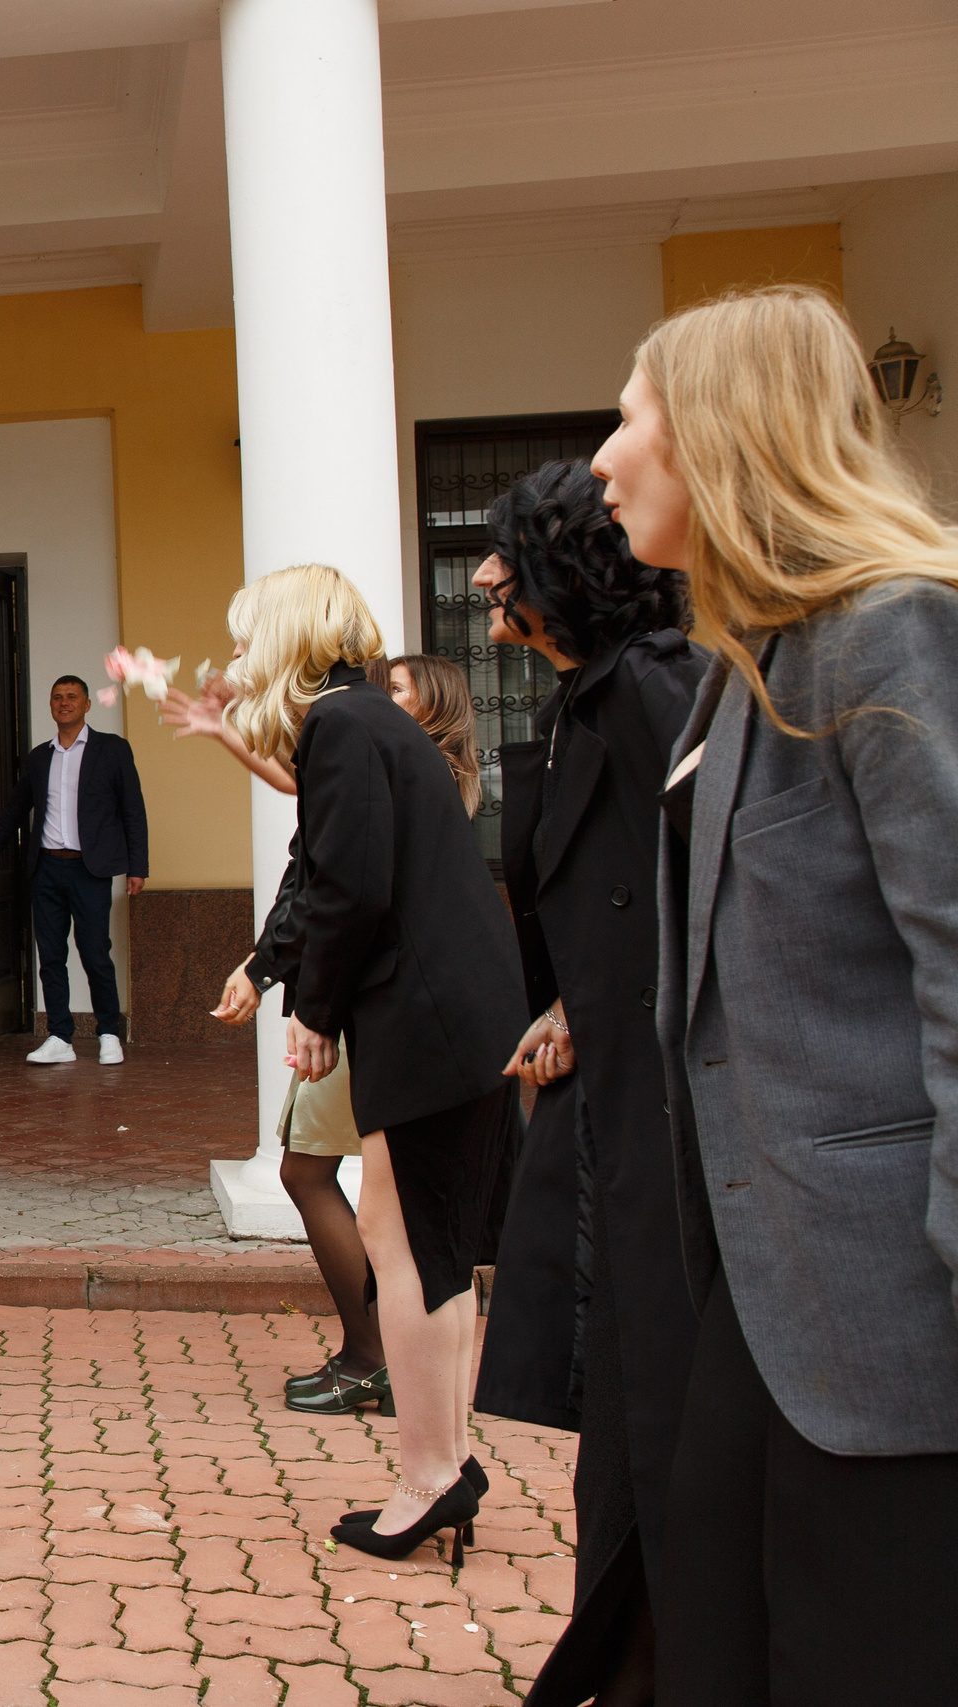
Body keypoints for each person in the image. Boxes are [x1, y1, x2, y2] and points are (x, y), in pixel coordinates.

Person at [599, 285, 958, 1701]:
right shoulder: (741, 669)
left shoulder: (893, 630)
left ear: (720, 437)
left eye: (630, 420)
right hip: (766, 1294)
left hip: (891, 1321)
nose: (607, 460)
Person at [445, 462, 703, 1707]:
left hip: (665, 1136)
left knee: (653, 1426)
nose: (486, 586)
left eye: (507, 564)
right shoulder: (584, 701)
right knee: (622, 1427)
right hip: (612, 1103)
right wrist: (566, 1007)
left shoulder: (654, 694)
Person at [223, 563, 524, 1569]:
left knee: (412, 1254)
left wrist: (310, 1009)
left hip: (428, 1018)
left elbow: (348, 886)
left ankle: (428, 1476)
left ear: (287, 638)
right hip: (443, 1014)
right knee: (415, 1249)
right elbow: (336, 874)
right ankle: (435, 1469)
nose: (233, 659)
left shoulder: (345, 726)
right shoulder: (362, 722)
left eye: (241, 640)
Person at [0, 675, 147, 1065]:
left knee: (94, 953)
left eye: (72, 696)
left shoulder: (112, 750)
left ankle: (108, 1033)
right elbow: (16, 809)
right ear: (51, 705)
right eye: (57, 697)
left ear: (87, 705)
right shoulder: (40, 757)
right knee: (51, 956)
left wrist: (137, 866)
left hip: (90, 870)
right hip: (47, 870)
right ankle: (60, 1036)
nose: (64, 702)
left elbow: (132, 811)